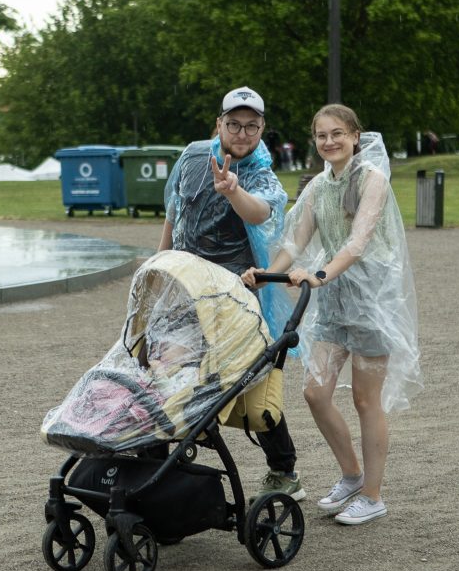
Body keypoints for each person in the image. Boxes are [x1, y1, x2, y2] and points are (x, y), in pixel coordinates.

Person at [243, 103, 422, 525]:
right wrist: (268, 273)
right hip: (332, 300)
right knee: (315, 392)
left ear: (355, 136)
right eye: (322, 136)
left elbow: (358, 241)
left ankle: (373, 496)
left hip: (370, 301)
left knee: (365, 399)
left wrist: (320, 274)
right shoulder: (318, 187)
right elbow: (295, 242)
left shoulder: (372, 179)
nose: (329, 142)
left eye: (337, 133)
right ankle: (351, 475)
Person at [159, 86, 304, 502]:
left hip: (232, 294)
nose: (242, 133)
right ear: (218, 124)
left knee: (251, 387)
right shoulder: (191, 156)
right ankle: (161, 465)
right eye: (234, 124)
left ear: (262, 130)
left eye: (252, 126)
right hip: (183, 286)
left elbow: (262, 211)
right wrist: (159, 264)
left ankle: (284, 470)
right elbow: (174, 211)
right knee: (169, 373)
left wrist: (232, 190)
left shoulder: (260, 171)